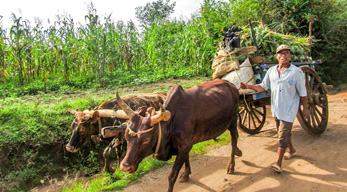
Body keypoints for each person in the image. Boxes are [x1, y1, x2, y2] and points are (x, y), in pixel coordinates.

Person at [240, 44, 310, 173]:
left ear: (290, 56)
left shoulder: (296, 72)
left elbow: (303, 93)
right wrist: (248, 86)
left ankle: (278, 163)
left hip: (289, 109)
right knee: (282, 132)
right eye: (281, 53)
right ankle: (292, 150)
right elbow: (262, 87)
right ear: (277, 56)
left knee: (281, 137)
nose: (284, 56)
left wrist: (305, 108)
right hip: (277, 109)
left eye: (287, 53)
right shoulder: (272, 71)